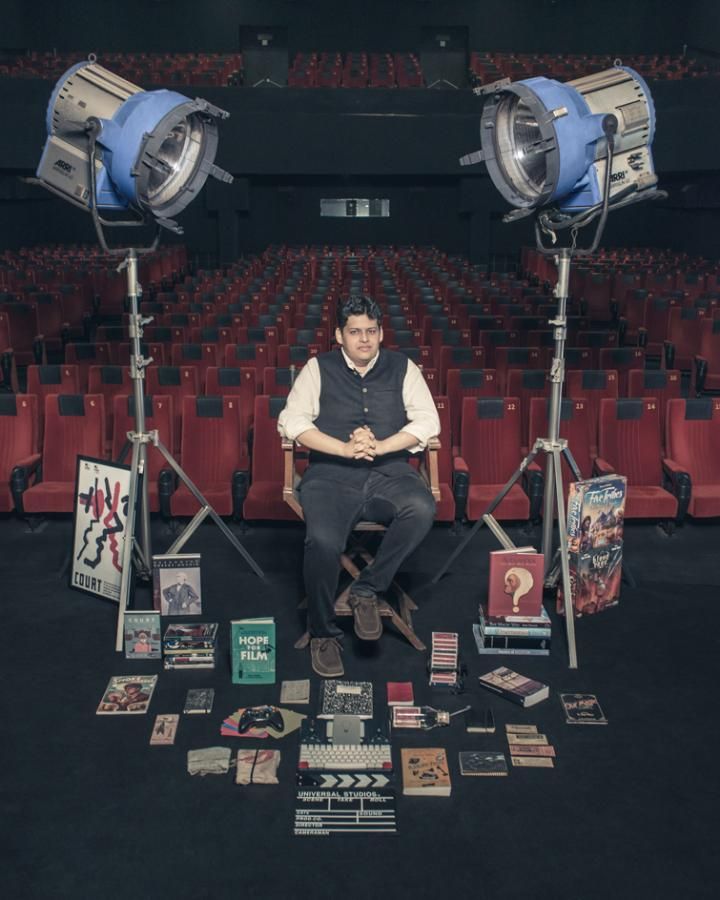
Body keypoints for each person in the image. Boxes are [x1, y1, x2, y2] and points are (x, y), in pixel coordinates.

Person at [278, 295, 440, 677]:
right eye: (355, 332)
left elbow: (428, 422)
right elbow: (292, 422)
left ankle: (367, 589)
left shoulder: (403, 367)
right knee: (322, 540)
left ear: (381, 332)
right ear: (339, 335)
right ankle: (323, 633)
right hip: (330, 476)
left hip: (390, 472)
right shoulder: (317, 369)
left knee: (421, 509)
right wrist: (344, 449)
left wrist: (382, 445)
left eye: (371, 331)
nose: (364, 339)